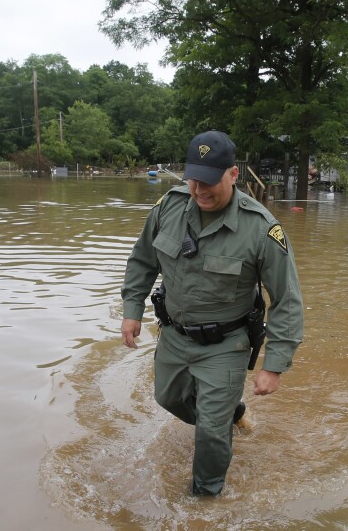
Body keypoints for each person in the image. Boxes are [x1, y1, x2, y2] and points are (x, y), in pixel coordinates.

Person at [120, 130, 304, 497]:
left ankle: (205, 499)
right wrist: (132, 309)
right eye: (193, 181)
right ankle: (229, 414)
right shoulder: (168, 207)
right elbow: (143, 259)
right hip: (174, 335)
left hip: (226, 343)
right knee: (167, 399)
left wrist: (274, 365)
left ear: (233, 175)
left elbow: (287, 299)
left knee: (209, 431)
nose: (199, 191)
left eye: (209, 182)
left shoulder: (261, 228)